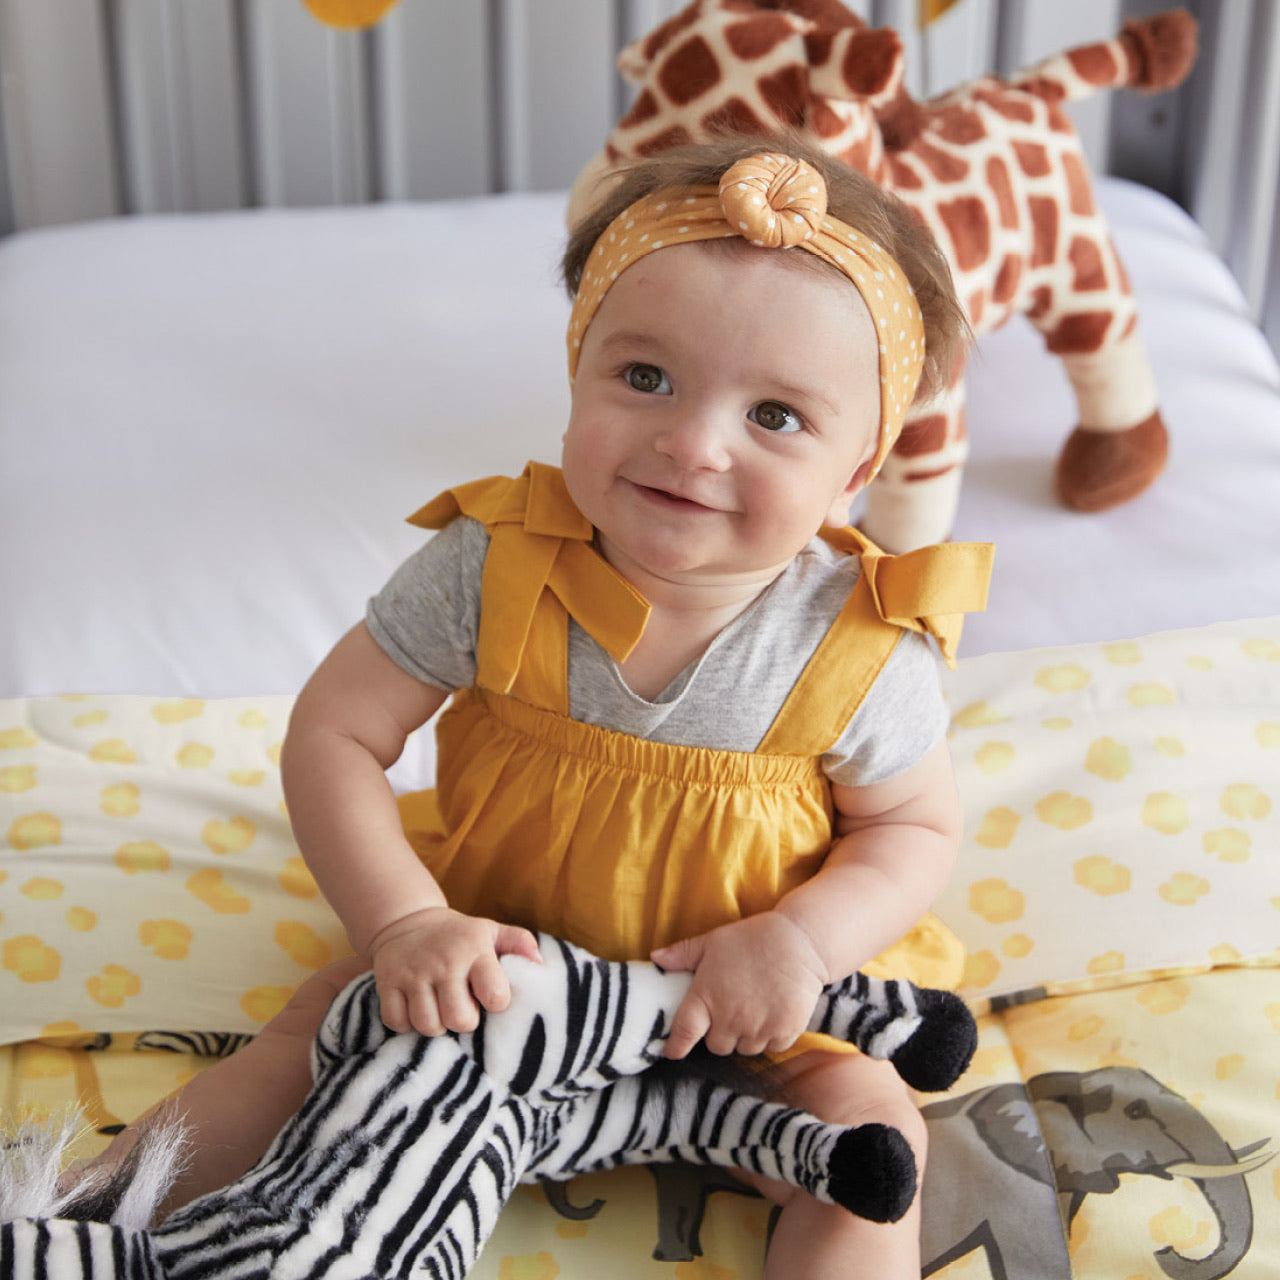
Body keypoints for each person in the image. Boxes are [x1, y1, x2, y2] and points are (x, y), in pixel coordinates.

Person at [80, 137, 992, 1277]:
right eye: (644, 377)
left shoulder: (861, 645)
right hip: (479, 978)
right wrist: (403, 921)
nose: (692, 442)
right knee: (302, 1042)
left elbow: (911, 828)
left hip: (730, 1006)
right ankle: (83, 1218)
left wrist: (799, 942)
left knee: (866, 1140)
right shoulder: (492, 565)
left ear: (856, 468)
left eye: (774, 416)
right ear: (577, 371)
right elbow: (335, 732)